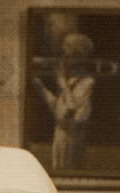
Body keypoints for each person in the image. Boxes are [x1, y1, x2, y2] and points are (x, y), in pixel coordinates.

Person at [34, 33, 96, 169]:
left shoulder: (87, 82)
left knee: (67, 168)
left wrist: (61, 81)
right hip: (60, 135)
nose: (62, 52)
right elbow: (57, 107)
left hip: (72, 138)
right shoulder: (69, 82)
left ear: (78, 55)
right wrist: (40, 87)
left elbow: (71, 108)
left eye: (68, 47)